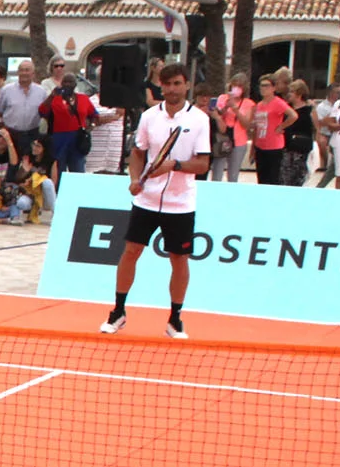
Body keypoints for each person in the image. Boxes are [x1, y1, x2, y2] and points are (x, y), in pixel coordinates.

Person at [102, 62, 209, 340]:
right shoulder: (150, 116)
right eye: (167, 84)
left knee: (179, 259)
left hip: (180, 203)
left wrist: (174, 165)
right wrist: (134, 178)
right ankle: (118, 311)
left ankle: (175, 318)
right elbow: (138, 153)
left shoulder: (199, 119)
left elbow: (202, 164)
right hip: (147, 200)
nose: (172, 89)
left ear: (187, 85)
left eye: (177, 84)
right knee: (131, 252)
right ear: (160, 86)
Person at [210, 73, 252, 185]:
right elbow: (218, 115)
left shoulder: (249, 104)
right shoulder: (223, 98)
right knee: (217, 172)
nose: (236, 88)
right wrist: (226, 106)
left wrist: (235, 108)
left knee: (233, 175)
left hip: (239, 141)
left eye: (240, 86)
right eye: (235, 85)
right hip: (222, 139)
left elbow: (246, 124)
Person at [280, 79, 317, 187]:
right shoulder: (287, 108)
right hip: (287, 147)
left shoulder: (309, 109)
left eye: (292, 91)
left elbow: (316, 128)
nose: (289, 94)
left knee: (298, 179)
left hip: (301, 149)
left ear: (299, 94)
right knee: (284, 178)